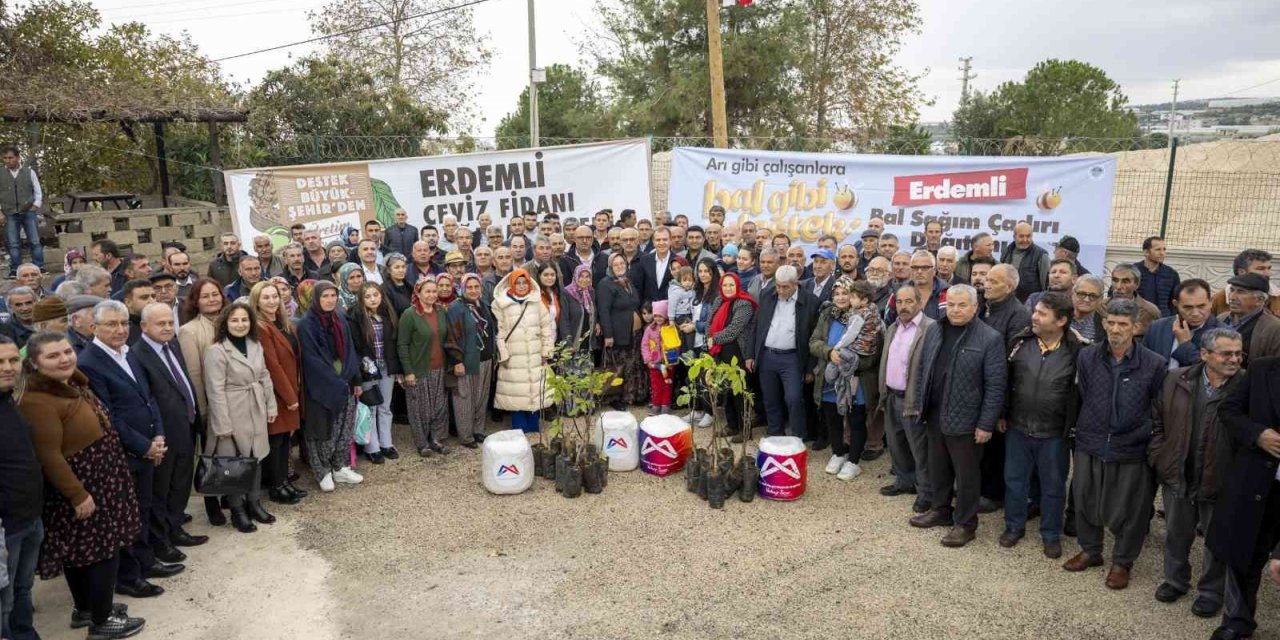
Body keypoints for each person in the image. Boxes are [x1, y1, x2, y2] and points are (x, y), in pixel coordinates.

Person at [18, 332, 146, 639]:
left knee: (84, 552)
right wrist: (77, 494)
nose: (64, 359)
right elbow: (48, 454)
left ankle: (88, 608)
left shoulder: (71, 382)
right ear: (34, 364)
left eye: (66, 351)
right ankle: (101, 622)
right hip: (82, 483)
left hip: (102, 477)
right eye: (52, 356)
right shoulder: (37, 400)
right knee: (101, 551)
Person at [78, 300, 182, 598]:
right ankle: (129, 577)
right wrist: (144, 446)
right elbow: (108, 415)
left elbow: (148, 398)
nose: (120, 329)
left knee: (144, 509)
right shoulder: (89, 362)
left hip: (150, 447)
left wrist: (159, 435)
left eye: (124, 323)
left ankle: (146, 561)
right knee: (126, 517)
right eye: (111, 324)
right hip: (124, 454)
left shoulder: (128, 353)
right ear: (94, 327)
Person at [1064, 298, 1166, 590]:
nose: (1115, 329)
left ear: (1136, 327)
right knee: (1085, 500)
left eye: (1123, 324)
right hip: (1091, 441)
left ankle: (1122, 562)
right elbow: (1084, 393)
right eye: (1111, 322)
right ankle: (1091, 550)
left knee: (1130, 509)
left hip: (1131, 447)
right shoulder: (1087, 357)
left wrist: (1146, 437)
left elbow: (1158, 408)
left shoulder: (1154, 364)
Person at [1147, 327, 1243, 619]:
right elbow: (1157, 420)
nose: (1234, 359)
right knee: (1176, 532)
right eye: (1227, 353)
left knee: (1216, 541)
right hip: (1178, 472)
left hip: (1221, 480)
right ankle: (1175, 581)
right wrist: (1159, 456)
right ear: (1204, 354)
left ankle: (1210, 593)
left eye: (1239, 353)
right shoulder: (1177, 378)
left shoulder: (1248, 386)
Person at [906, 285, 1005, 548]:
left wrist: (986, 423)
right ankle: (940, 510)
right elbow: (924, 370)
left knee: (967, 475)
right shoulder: (935, 330)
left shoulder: (989, 338)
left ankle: (965, 524)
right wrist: (919, 404)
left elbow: (996, 386)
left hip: (966, 420)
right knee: (938, 468)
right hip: (935, 413)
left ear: (975, 307)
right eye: (951, 305)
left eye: (962, 305)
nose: (956, 310)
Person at [1001, 292, 1083, 559]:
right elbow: (1005, 381)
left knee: (1053, 485)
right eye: (1035, 311)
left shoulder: (1077, 351)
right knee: (1015, 482)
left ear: (1061, 321)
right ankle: (1014, 526)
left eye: (1041, 313)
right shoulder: (1020, 343)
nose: (1034, 316)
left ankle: (1050, 534)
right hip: (1018, 428)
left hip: (1054, 433)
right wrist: (1002, 414)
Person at [128, 303, 208, 568]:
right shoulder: (137, 355)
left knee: (180, 484)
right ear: (143, 327)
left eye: (169, 323)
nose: (166, 328)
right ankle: (159, 541)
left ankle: (175, 529)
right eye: (159, 324)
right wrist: (157, 433)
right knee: (160, 491)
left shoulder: (172, 345)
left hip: (185, 425)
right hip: (162, 433)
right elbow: (146, 398)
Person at [1208, 354, 1280, 640]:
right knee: (1246, 552)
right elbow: (1229, 410)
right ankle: (1237, 619)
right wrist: (1258, 433)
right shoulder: (1263, 369)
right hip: (1259, 484)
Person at [203, 301, 277, 533]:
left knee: (256, 456)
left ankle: (254, 503)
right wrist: (222, 424)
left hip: (255, 406)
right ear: (225, 323)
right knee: (235, 462)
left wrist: (271, 405)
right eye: (234, 320)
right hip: (232, 410)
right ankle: (237, 509)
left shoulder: (255, 344)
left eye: (244, 319)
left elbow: (264, 375)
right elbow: (214, 390)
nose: (240, 324)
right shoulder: (216, 351)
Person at [811, 278, 881, 481]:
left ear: (856, 297)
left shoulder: (868, 317)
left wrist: (851, 364)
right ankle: (838, 453)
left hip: (856, 380)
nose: (841, 297)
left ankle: (853, 461)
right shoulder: (826, 315)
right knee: (832, 417)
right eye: (837, 293)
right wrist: (829, 352)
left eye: (846, 293)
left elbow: (874, 353)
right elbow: (813, 342)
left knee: (856, 420)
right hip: (831, 378)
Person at [297, 281, 363, 492]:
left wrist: (353, 378)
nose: (329, 300)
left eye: (333, 296)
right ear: (316, 298)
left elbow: (351, 350)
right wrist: (335, 381)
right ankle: (322, 470)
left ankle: (340, 466)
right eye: (324, 296)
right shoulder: (307, 324)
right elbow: (311, 359)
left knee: (344, 427)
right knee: (323, 430)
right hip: (321, 386)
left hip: (344, 381)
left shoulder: (340, 318)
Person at [877, 283, 937, 511]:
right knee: (896, 444)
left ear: (920, 302)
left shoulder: (930, 329)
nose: (903, 306)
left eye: (908, 301)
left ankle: (926, 493)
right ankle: (904, 481)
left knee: (920, 450)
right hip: (891, 396)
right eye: (899, 302)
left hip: (913, 399)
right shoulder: (893, 327)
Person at [0, 335, 43, 640]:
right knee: (5, 599)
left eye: (13, 360)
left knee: (23, 588)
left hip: (30, 517)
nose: (8, 368)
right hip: (6, 525)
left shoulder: (9, 400)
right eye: (0, 362)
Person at [247, 281, 306, 505]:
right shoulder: (261, 328)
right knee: (276, 442)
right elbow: (272, 365)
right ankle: (276, 486)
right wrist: (290, 397)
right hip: (278, 394)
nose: (272, 301)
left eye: (275, 297)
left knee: (284, 441)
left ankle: (284, 482)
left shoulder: (282, 323)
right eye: (266, 298)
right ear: (257, 302)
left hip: (291, 387)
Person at [749, 265, 819, 441]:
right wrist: (751, 354)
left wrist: (810, 367)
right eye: (778, 285)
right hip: (767, 356)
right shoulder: (767, 295)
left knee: (794, 399)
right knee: (770, 399)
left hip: (793, 358)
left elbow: (814, 336)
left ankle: (798, 438)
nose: (780, 290)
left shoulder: (810, 302)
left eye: (785, 287)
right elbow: (756, 326)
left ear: (796, 283)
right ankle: (775, 436)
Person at [492, 269, 554, 433]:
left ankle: (533, 424)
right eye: (517, 282)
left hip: (534, 354)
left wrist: (546, 351)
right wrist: (503, 354)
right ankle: (519, 425)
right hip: (513, 356)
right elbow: (499, 332)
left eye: (524, 282)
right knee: (516, 392)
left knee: (534, 390)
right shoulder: (500, 304)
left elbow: (546, 327)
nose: (521, 286)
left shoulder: (537, 302)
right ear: (512, 284)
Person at [348, 283, 402, 464]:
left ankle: (387, 443)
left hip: (386, 366)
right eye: (368, 296)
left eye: (376, 295)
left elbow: (393, 344)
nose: (373, 299)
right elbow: (356, 346)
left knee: (385, 407)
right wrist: (364, 368)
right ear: (361, 299)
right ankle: (372, 447)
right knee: (370, 407)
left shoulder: (387, 314)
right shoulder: (355, 317)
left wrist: (397, 369)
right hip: (368, 370)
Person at [398, 278, 451, 455]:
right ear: (418, 293)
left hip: (439, 368)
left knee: (439, 406)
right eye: (427, 291)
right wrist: (408, 372)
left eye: (434, 291)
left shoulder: (440, 311)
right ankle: (422, 443)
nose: (431, 295)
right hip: (419, 370)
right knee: (419, 408)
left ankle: (436, 439)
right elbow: (402, 345)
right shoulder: (410, 315)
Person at [445, 274, 496, 447]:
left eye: (477, 287)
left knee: (481, 397)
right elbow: (451, 335)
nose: (473, 290)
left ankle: (478, 430)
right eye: (469, 287)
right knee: (464, 398)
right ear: (462, 288)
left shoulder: (484, 306)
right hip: (467, 360)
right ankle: (466, 436)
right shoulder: (456, 307)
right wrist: (456, 361)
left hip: (485, 358)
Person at [706, 272, 757, 441]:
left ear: (737, 285)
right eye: (725, 285)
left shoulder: (745, 303)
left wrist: (714, 339)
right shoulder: (719, 300)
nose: (728, 288)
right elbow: (709, 321)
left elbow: (734, 330)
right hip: (720, 352)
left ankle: (745, 430)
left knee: (740, 392)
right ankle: (732, 425)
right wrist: (709, 337)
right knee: (726, 390)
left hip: (738, 353)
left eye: (731, 285)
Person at [596, 253, 645, 409]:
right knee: (617, 367)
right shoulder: (605, 284)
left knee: (632, 366)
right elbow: (603, 311)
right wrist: (608, 335)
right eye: (615, 264)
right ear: (610, 267)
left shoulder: (628, 282)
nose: (619, 266)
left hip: (635, 334)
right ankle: (615, 398)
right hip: (618, 333)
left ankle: (631, 395)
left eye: (622, 263)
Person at [1143, 279, 1220, 369]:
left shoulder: (1223, 334)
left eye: (1201, 306)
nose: (1195, 313)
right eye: (1188, 307)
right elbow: (1143, 361)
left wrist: (1185, 344)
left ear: (1210, 302)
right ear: (1176, 304)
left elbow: (1212, 370)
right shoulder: (1157, 327)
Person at [1219, 272, 1280, 367]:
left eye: (1241, 292)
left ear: (1259, 300)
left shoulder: (1274, 329)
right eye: (1232, 290)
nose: (1232, 297)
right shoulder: (1222, 318)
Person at [0, 146, 44, 273]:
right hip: (9, 213)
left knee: (35, 241)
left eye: (10, 157)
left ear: (18, 158)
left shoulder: (29, 172)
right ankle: (15, 270)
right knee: (13, 243)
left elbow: (37, 190)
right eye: (5, 158)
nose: (7, 160)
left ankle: (39, 267)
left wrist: (36, 205)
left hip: (28, 211)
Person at [1210, 249, 1280, 317]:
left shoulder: (1277, 298)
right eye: (1261, 269)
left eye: (1269, 268)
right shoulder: (1219, 299)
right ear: (1242, 272)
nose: (1268, 274)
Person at [641, 300, 681, 414]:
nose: (658, 318)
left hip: (667, 363)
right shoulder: (650, 329)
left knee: (667, 384)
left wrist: (673, 359)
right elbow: (644, 345)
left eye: (661, 316)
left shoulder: (671, 328)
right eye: (656, 316)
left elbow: (676, 344)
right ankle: (656, 405)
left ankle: (665, 405)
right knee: (655, 385)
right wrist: (648, 359)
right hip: (655, 363)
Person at [999, 222, 1050, 303]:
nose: (1025, 240)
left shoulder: (1041, 255)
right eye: (1021, 236)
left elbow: (1046, 284)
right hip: (1007, 301)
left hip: (1030, 304)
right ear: (1014, 237)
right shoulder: (1006, 252)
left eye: (1028, 236)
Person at [1109, 263, 1163, 333]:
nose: (1118, 286)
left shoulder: (1150, 312)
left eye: (1125, 282)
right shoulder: (1101, 307)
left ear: (1137, 284)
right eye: (1115, 280)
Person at [1135, 236, 1181, 317]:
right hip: (1137, 319)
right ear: (1146, 252)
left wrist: (1170, 317)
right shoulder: (1133, 271)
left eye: (1164, 249)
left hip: (1163, 321)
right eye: (1158, 249)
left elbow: (1176, 300)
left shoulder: (1171, 274)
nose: (1162, 253)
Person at [637, 226, 674, 303]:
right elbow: (640, 287)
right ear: (653, 242)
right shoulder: (644, 260)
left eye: (665, 239)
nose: (661, 243)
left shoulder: (679, 260)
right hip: (649, 310)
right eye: (658, 240)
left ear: (670, 241)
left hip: (671, 308)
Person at [1070, 275, 1107, 344]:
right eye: (1081, 294)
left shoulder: (1104, 324)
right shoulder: (1059, 315)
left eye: (1092, 296)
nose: (1086, 300)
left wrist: (1087, 342)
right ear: (1073, 293)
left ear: (1100, 299)